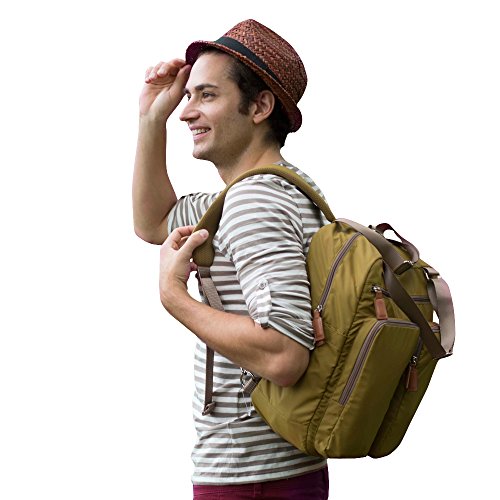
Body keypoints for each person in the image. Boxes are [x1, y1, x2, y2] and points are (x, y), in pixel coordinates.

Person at [133, 19, 330, 499]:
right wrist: (151, 121)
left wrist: (175, 298)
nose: (186, 112)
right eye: (188, 96)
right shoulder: (273, 190)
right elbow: (153, 221)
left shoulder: (254, 202)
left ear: (259, 106)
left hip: (252, 476)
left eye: (207, 95)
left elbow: (284, 354)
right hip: (276, 469)